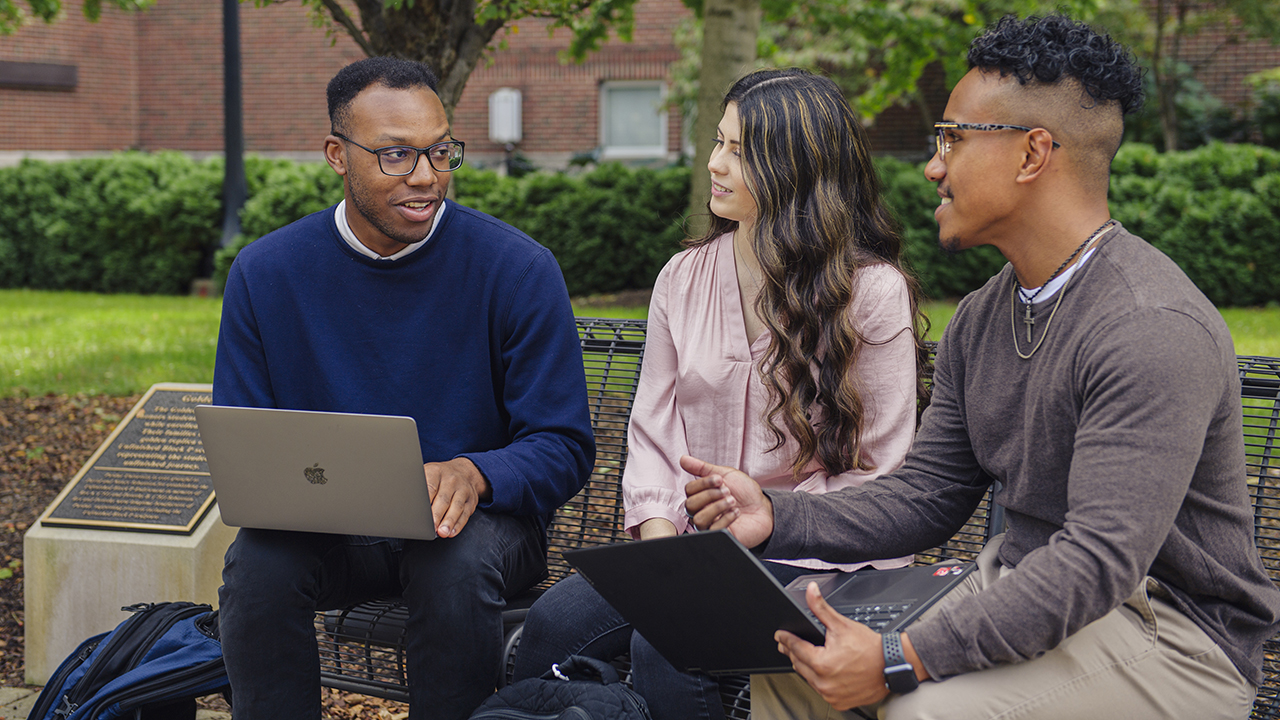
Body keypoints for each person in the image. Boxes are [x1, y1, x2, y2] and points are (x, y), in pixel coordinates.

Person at [685, 14, 1280, 720]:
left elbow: (1095, 562)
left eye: (952, 139)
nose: (933, 166)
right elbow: (928, 495)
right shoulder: (983, 315)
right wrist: (775, 514)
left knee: (921, 711)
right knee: (793, 666)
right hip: (1020, 585)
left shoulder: (1148, 327)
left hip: (1171, 633)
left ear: (1032, 155)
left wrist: (902, 658)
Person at [512, 67, 930, 720]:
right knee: (552, 622)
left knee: (667, 644)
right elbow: (653, 430)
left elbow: (880, 472)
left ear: (796, 168)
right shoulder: (683, 277)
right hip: (688, 549)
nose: (714, 164)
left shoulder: (869, 295)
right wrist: (659, 545)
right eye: (717, 143)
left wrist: (763, 535)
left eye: (740, 152)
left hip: (821, 556)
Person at [212, 56, 595, 720]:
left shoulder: (516, 268)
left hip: (483, 529)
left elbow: (563, 445)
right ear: (337, 154)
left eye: (440, 152)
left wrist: (474, 472)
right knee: (258, 567)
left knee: (451, 561)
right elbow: (245, 441)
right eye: (395, 155)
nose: (425, 177)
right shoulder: (267, 273)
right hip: (331, 530)